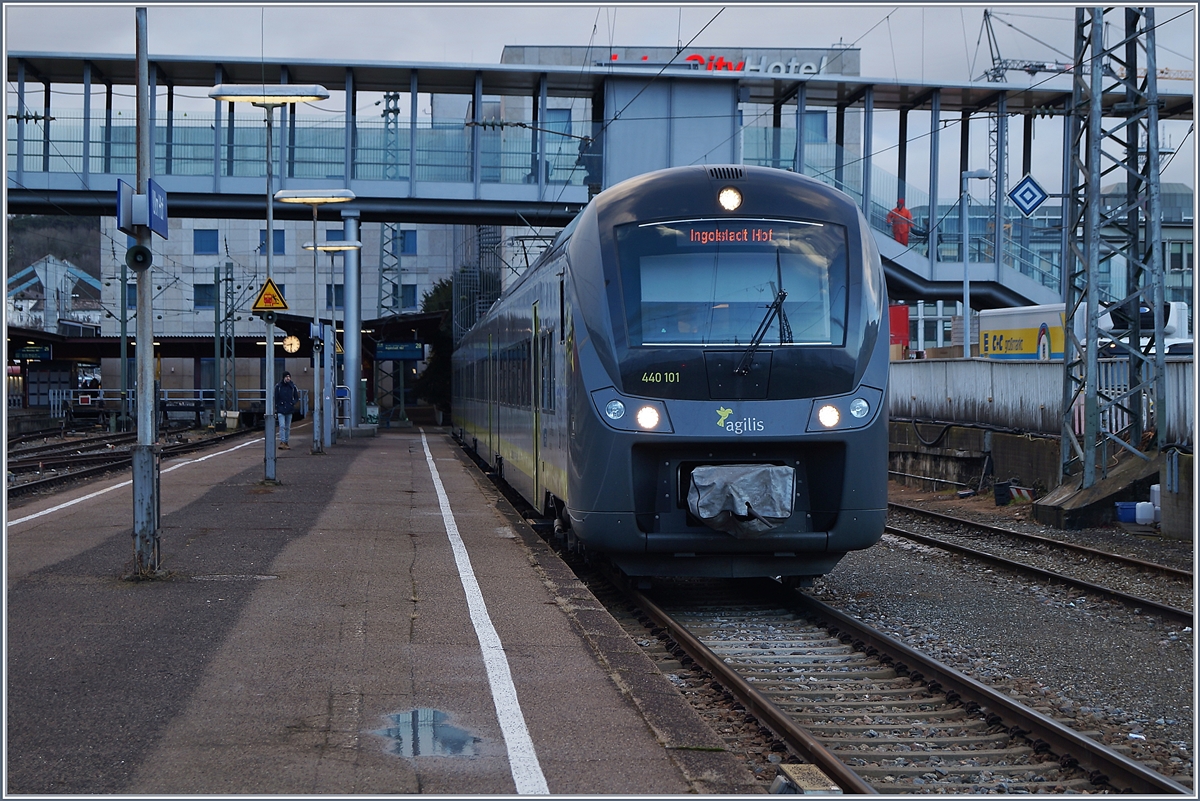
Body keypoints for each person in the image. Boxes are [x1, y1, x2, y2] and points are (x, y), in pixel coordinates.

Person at [275, 371, 300, 449]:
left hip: (289, 409)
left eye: (289, 376)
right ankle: (283, 441)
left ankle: (285, 442)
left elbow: (296, 397)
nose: (288, 378)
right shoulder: (278, 386)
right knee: (282, 426)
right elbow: (276, 397)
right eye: (286, 377)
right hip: (281, 409)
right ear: (283, 378)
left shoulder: (293, 387)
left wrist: (292, 403)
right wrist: (277, 405)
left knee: (287, 427)